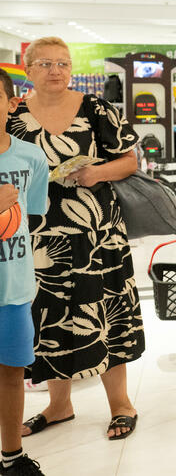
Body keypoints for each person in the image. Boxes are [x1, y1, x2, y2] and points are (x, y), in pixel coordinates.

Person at [9, 37, 143, 440]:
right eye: (46, 63)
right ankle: (59, 405)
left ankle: (122, 404)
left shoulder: (96, 109)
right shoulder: (13, 117)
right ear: (27, 68)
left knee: (105, 312)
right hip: (39, 236)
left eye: (63, 64)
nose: (56, 71)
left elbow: (130, 160)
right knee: (50, 316)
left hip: (98, 235)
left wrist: (97, 172)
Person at [0, 69, 50, 476]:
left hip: (14, 288)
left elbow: (30, 217)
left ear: (11, 104)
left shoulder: (31, 156)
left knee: (12, 374)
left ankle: (12, 456)